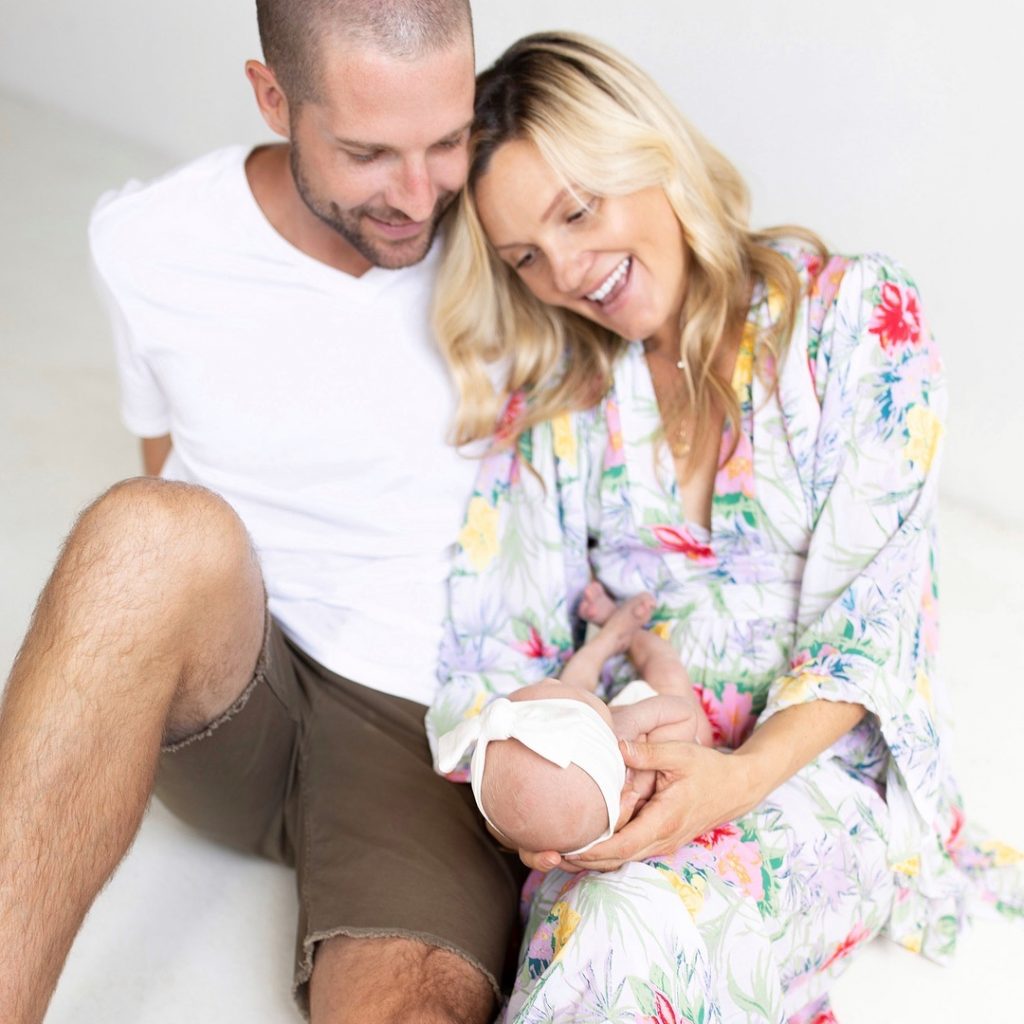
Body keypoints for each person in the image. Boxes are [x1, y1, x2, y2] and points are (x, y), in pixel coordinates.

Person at [425, 31, 1022, 1023]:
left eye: (577, 211)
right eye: (525, 256)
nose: (567, 270)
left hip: (816, 775)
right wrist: (549, 792)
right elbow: (489, 649)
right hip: (625, 783)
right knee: (602, 911)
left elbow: (872, 622)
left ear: (649, 155)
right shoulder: (563, 406)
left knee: (636, 930)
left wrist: (732, 779)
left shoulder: (852, 323)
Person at [0, 3, 528, 1023]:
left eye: (447, 139)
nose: (420, 196)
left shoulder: (519, 228)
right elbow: (160, 463)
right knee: (151, 525)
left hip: (430, 727)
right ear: (272, 96)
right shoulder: (148, 240)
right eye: (370, 152)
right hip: (238, 684)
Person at [435, 588, 713, 856]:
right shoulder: (644, 784)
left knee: (573, 683)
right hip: (677, 736)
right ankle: (630, 635)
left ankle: (608, 637)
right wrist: (636, 718)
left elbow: (504, 823)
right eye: (553, 683)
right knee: (668, 672)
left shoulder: (564, 825)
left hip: (593, 771)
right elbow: (683, 713)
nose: (548, 679)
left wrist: (510, 836)